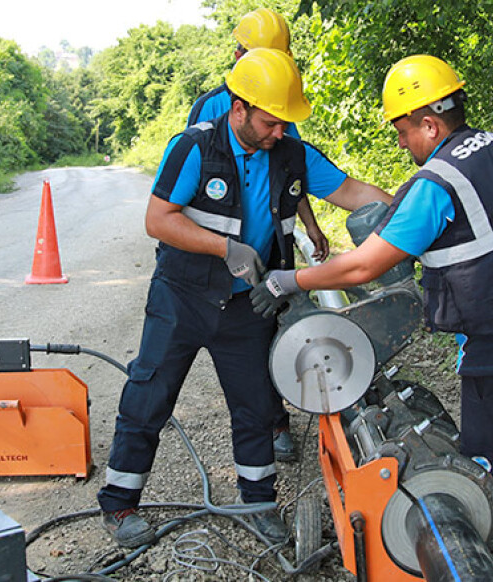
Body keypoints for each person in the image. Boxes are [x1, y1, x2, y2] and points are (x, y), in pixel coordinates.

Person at [249, 54, 493, 581]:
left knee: (483, 463)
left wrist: (290, 280)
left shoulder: (438, 183)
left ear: (429, 123)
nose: (403, 144)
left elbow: (365, 265)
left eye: (403, 132)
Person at [98, 47, 392, 549]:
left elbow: (349, 190)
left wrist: (414, 202)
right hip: (182, 297)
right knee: (149, 395)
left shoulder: (292, 154)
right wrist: (223, 247)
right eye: (271, 122)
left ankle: (257, 503)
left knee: (256, 405)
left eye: (284, 124)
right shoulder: (194, 148)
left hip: (249, 305)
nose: (280, 132)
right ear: (239, 109)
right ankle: (120, 503)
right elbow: (158, 219)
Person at [187, 8, 328, 464]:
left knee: (272, 331)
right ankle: (263, 423)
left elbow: (290, 168)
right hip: (222, 258)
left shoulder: (279, 102)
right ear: (238, 55)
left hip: (270, 247)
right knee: (243, 350)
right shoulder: (213, 108)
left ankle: (278, 422)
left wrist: (308, 222)